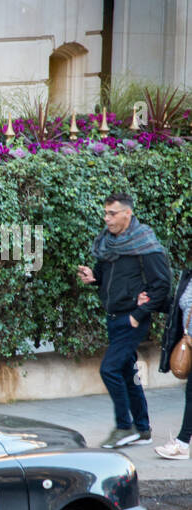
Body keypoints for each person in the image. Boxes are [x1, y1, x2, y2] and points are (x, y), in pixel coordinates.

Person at [77, 193, 170, 448]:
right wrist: (93, 277)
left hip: (132, 320)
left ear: (128, 213)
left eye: (113, 213)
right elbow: (106, 273)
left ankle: (123, 426)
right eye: (106, 213)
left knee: (109, 369)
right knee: (128, 373)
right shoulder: (109, 242)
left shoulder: (144, 244)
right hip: (113, 318)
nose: (107, 219)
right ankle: (142, 429)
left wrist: (138, 315)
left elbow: (162, 285)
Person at [152, 267, 192, 459]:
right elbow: (177, 306)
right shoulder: (189, 276)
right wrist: (152, 302)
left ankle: (182, 443)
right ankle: (182, 442)